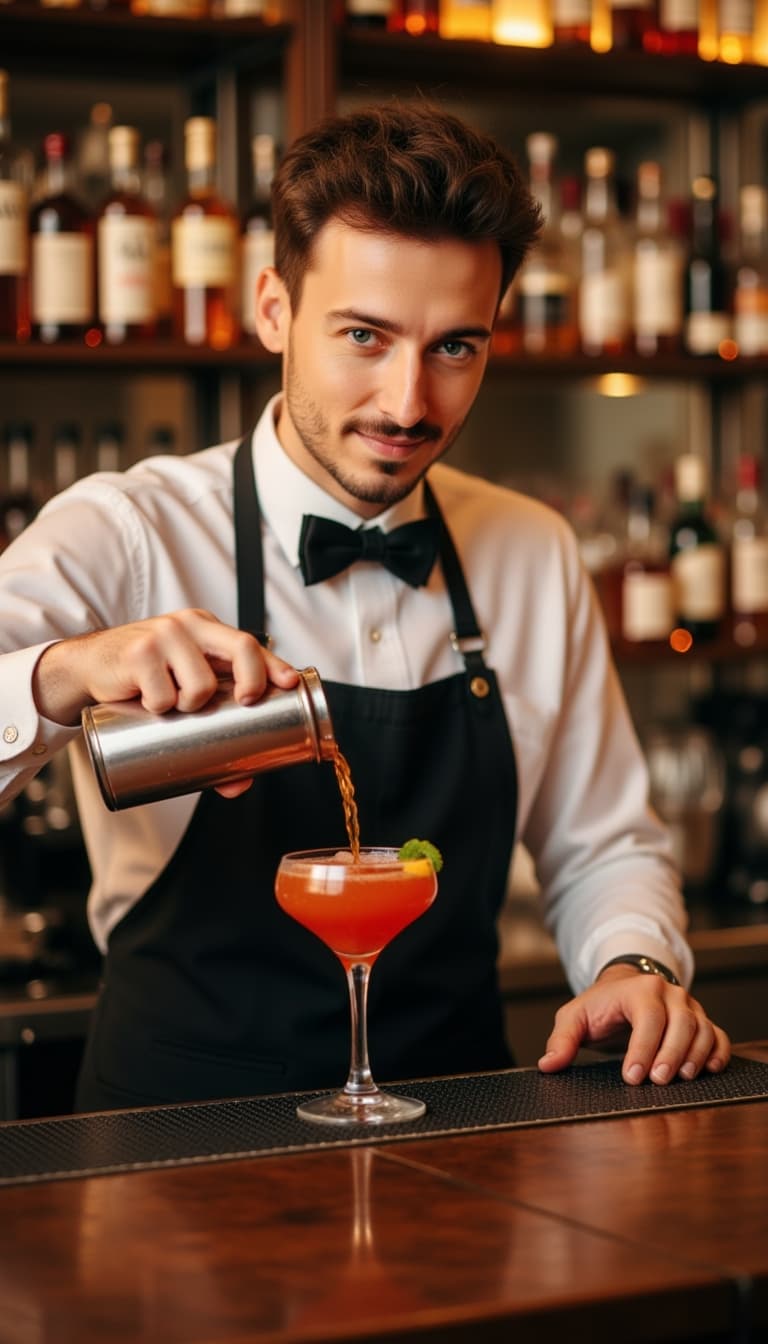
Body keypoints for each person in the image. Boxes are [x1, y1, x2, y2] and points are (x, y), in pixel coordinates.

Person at [0, 103, 729, 1112]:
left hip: (462, 1125)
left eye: (455, 348)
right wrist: (62, 674)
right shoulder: (126, 530)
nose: (406, 403)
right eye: (363, 336)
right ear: (272, 311)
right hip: (174, 1140)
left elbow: (603, 844)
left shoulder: (532, 549)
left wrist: (634, 965)